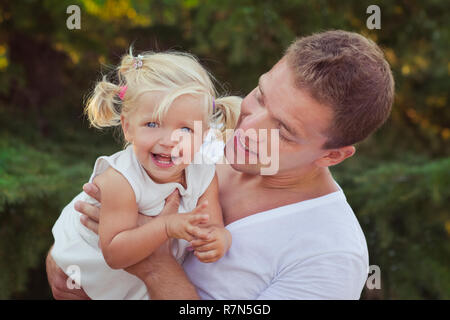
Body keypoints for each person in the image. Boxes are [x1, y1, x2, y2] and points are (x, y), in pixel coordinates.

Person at [47, 30, 395, 299]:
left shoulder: (329, 255)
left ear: (332, 155)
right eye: (260, 96)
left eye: (283, 130)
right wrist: (67, 256)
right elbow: (97, 205)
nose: (246, 129)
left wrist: (154, 266)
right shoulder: (199, 136)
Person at [50, 50, 241, 299]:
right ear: (127, 127)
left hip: (139, 277)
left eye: (185, 128)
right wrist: (165, 226)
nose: (169, 141)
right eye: (152, 124)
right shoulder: (121, 180)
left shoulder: (204, 174)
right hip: (89, 264)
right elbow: (115, 254)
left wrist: (219, 239)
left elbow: (212, 225)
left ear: (204, 135)